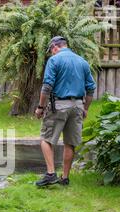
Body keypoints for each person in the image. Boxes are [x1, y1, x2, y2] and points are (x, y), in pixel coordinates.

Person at [34, 36, 96, 187]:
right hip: (77, 106)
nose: (51, 54)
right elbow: (91, 88)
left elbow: (47, 86)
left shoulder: (54, 61)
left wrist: (40, 107)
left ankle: (50, 174)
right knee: (70, 143)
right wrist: (85, 108)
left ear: (55, 46)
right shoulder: (82, 61)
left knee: (46, 139)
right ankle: (65, 178)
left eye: (51, 51)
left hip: (59, 105)